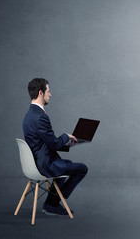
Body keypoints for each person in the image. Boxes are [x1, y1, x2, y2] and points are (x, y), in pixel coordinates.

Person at [23, 78, 88, 216]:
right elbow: (53, 143)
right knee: (82, 168)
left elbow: (45, 142)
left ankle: (51, 204)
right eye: (48, 91)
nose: (50, 94)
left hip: (36, 161)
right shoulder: (40, 117)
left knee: (67, 164)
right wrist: (65, 136)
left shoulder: (29, 115)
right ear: (41, 93)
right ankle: (55, 201)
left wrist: (67, 144)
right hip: (44, 165)